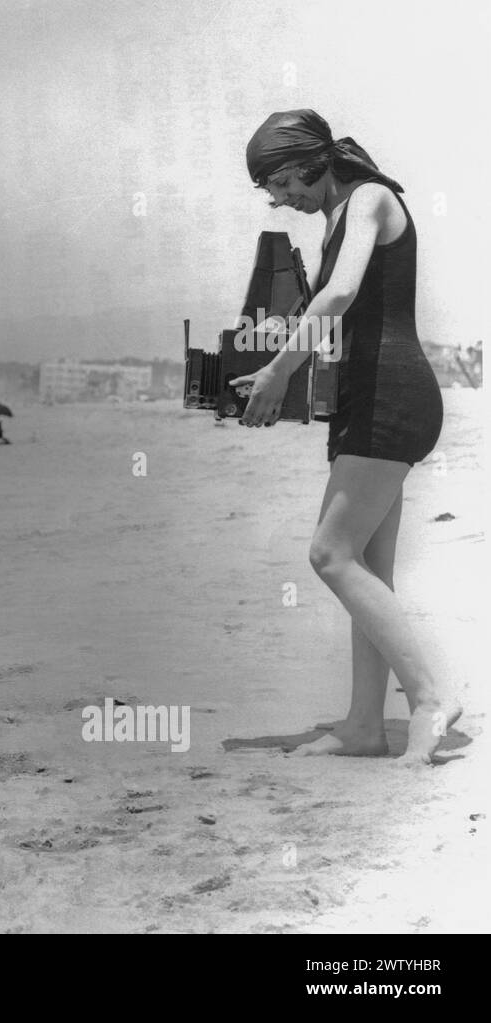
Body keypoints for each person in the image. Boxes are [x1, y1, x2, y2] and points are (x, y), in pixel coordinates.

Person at [232, 109, 457, 765]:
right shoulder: (337, 216)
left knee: (330, 555)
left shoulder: (368, 198)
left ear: (310, 160)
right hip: (368, 397)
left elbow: (340, 295)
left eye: (278, 182)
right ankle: (364, 725)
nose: (279, 199)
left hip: (392, 393)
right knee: (368, 567)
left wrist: (278, 373)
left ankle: (430, 696)